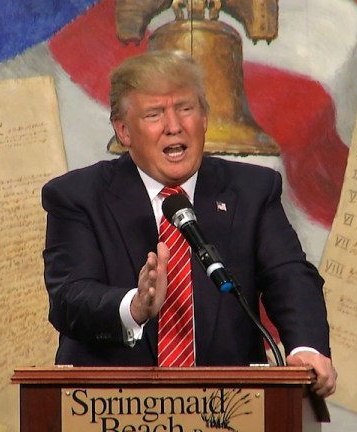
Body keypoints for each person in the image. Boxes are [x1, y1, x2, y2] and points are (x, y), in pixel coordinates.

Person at [41, 50, 336, 396]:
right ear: (123, 131)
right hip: (111, 407)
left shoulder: (251, 191)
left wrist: (306, 348)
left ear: (205, 117)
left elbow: (289, 276)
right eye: (154, 114)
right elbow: (69, 298)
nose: (174, 126)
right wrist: (134, 307)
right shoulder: (78, 196)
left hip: (230, 408)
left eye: (185, 108)